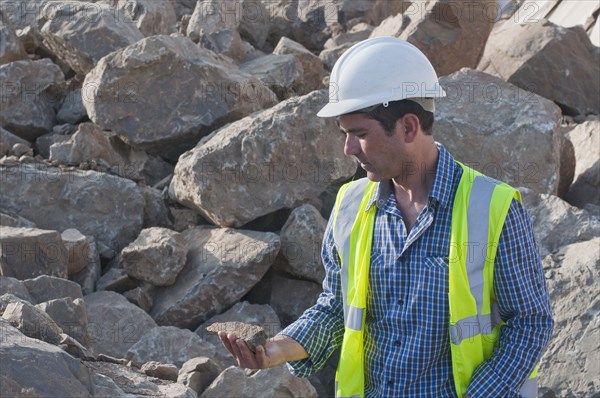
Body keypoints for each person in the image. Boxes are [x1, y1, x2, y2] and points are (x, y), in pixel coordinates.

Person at [219, 37, 553, 398]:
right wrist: (276, 349)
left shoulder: (493, 207)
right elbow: (336, 306)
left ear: (408, 127)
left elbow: (530, 322)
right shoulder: (350, 205)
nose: (348, 149)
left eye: (359, 134)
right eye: (345, 134)